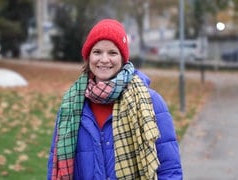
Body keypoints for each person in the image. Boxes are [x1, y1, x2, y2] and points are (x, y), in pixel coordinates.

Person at [47, 19, 183, 179]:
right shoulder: (71, 105)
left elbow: (170, 169)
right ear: (88, 56)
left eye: (112, 53)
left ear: (123, 58)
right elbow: (54, 168)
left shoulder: (150, 101)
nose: (104, 59)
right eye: (97, 52)